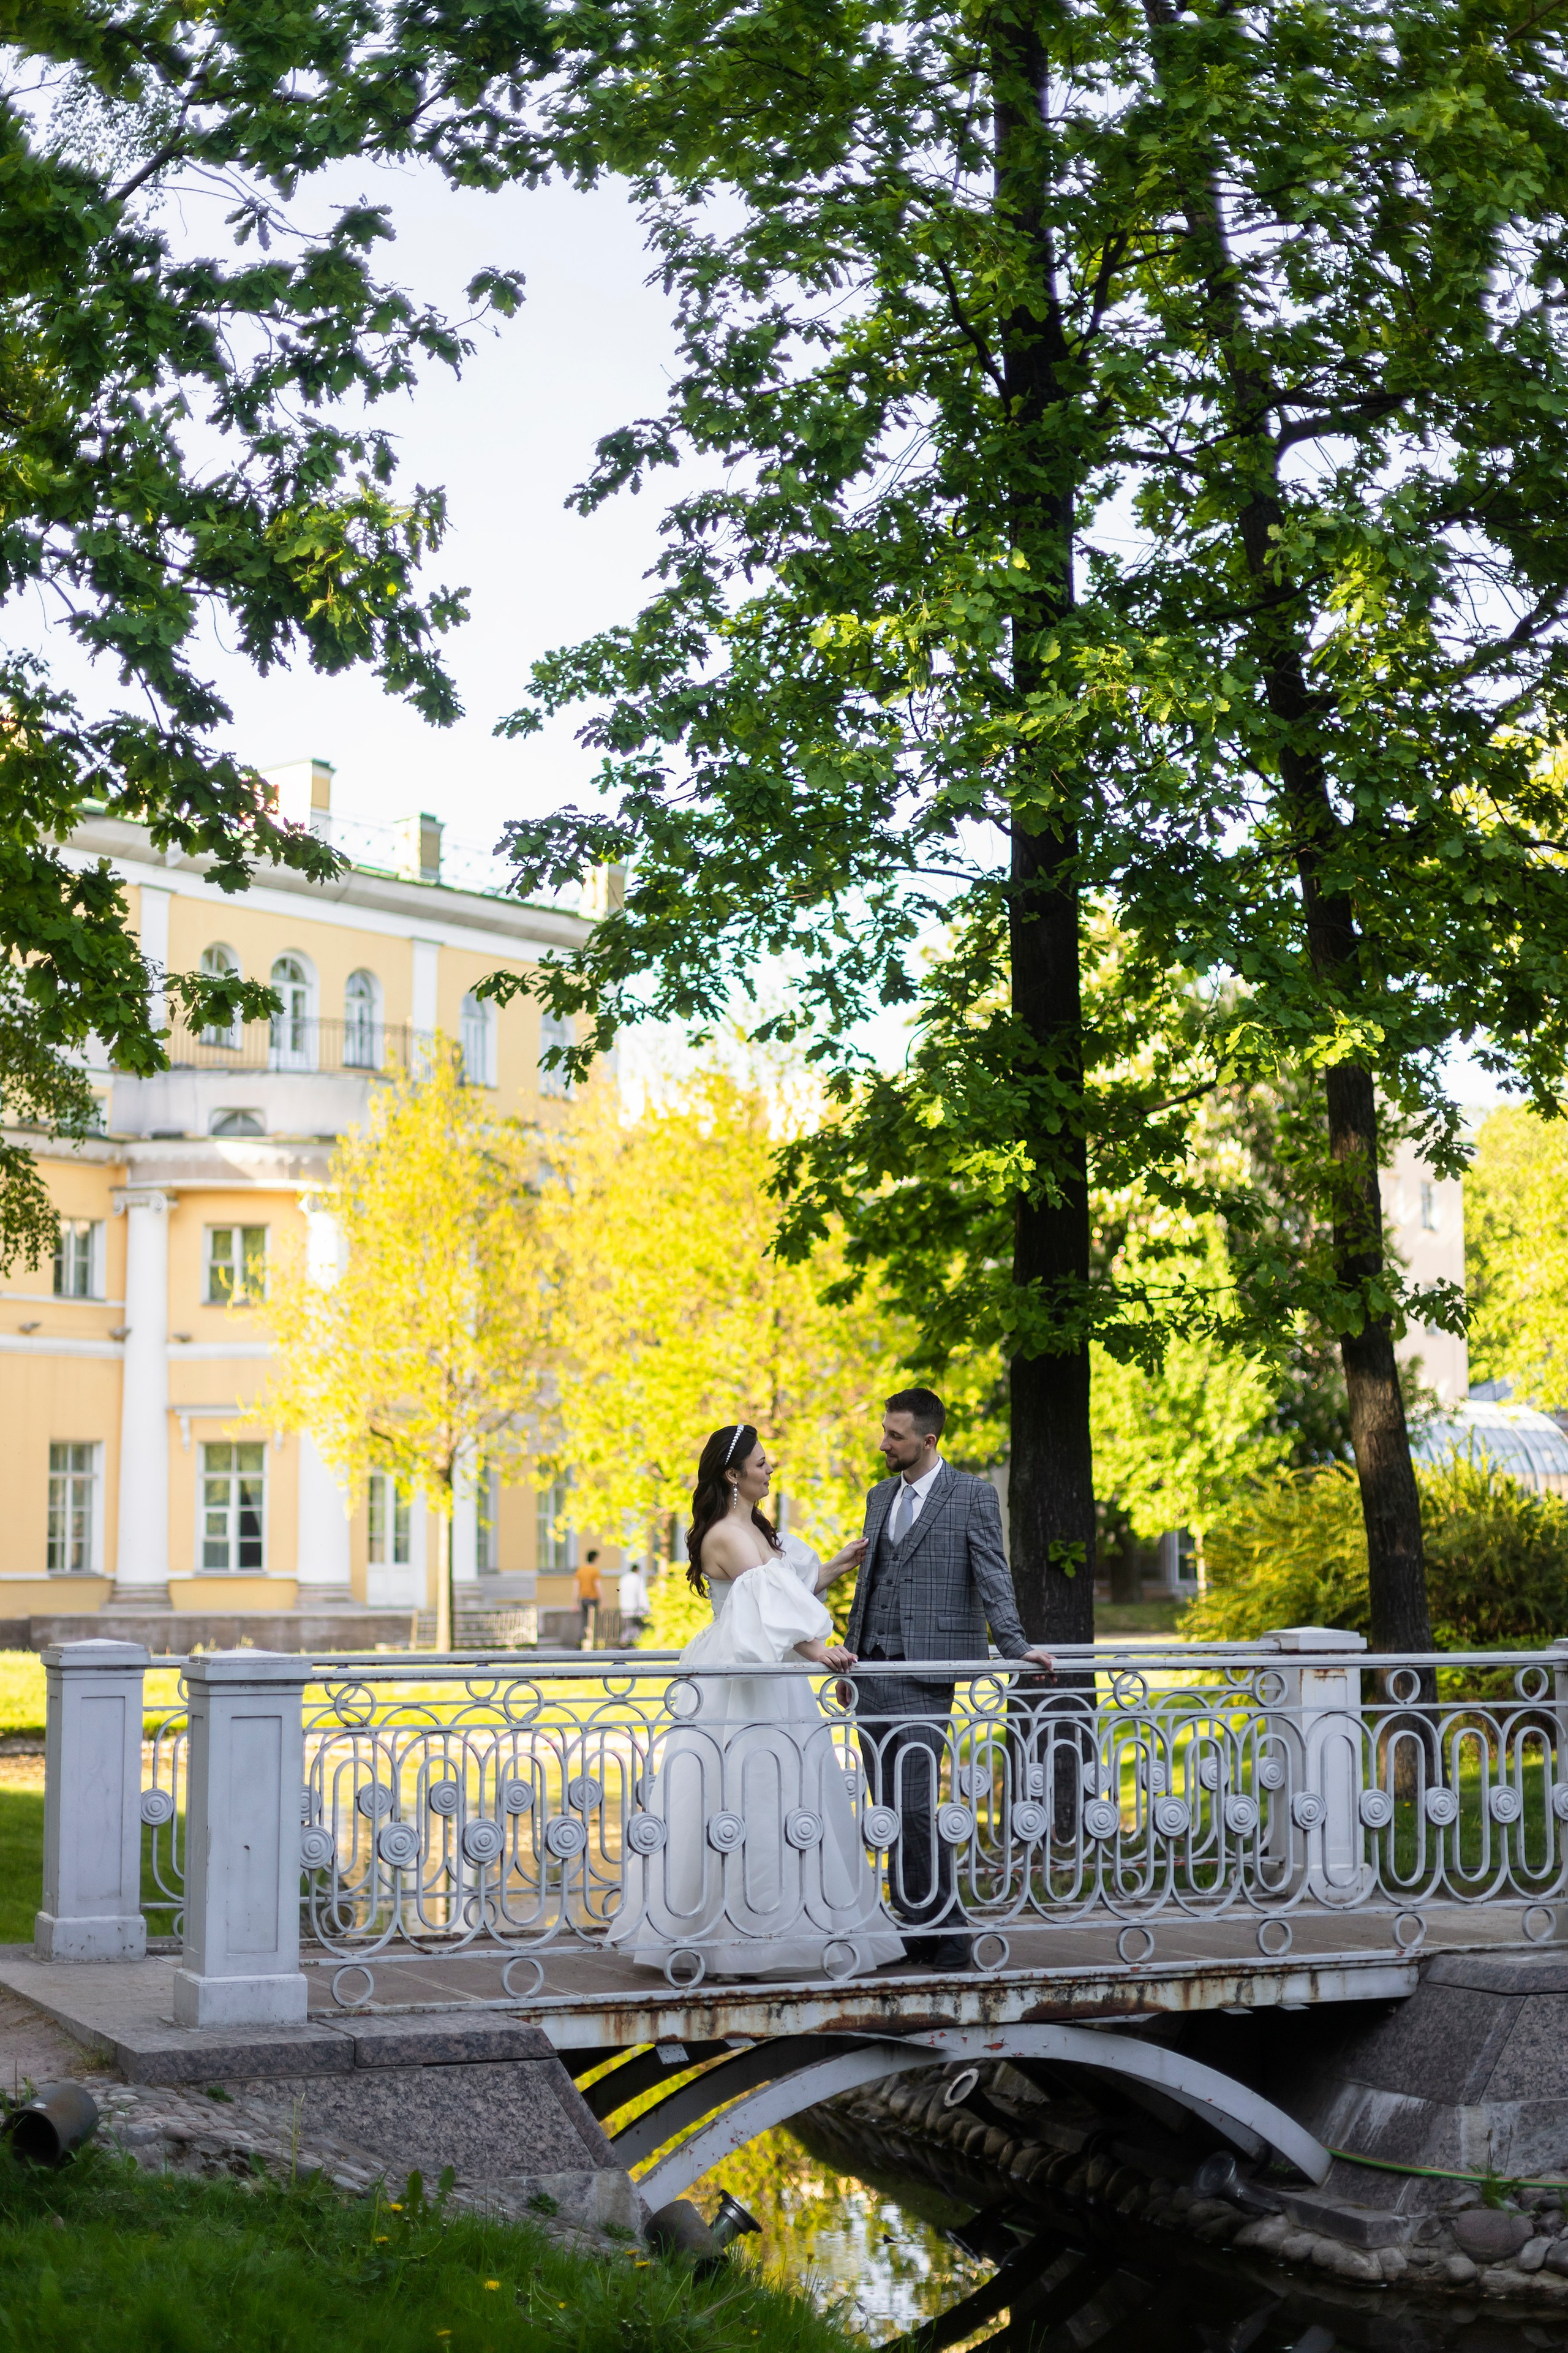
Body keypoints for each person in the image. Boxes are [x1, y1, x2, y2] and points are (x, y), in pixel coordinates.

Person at [610, 1424, 905, 1980]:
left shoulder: (755, 1530)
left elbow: (783, 1589)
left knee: (791, 1796)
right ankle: (737, 1940)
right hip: (741, 1680)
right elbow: (767, 1605)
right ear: (733, 1474)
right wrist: (821, 1649)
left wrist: (839, 1564)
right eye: (762, 1463)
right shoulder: (725, 1533)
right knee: (744, 1796)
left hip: (773, 1675)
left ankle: (793, 1925)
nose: (771, 1469)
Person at [846, 1388, 1054, 1971]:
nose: (885, 1443)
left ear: (928, 1440)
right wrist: (851, 1653)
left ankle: (954, 1929)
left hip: (927, 1673)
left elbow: (994, 1574)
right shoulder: (879, 1495)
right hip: (873, 1670)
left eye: (896, 1435)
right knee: (887, 1807)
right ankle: (915, 1926)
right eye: (885, 1431)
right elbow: (870, 1582)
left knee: (913, 1805)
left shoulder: (973, 1496)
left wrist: (1015, 1645)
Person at [575, 1549, 601, 1649]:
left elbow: (576, 1588)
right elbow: (598, 1586)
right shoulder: (595, 1571)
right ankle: (592, 1642)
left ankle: (581, 1641)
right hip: (593, 1599)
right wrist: (603, 1600)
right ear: (595, 1558)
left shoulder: (580, 1571)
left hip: (583, 1599)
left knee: (584, 1621)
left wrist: (575, 1603)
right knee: (593, 1622)